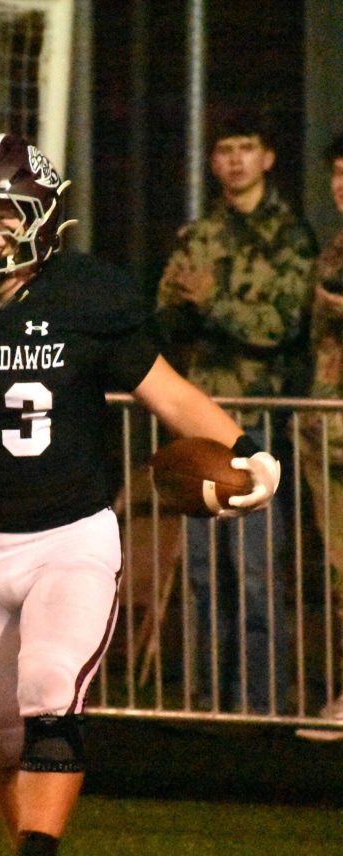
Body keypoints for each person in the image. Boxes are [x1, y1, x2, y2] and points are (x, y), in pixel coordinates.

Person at [0, 133, 280, 856]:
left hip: (67, 534)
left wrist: (249, 450)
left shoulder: (89, 295)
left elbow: (170, 394)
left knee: (52, 686)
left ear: (42, 219)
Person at [156, 110, 316, 714]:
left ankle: (260, 702)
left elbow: (281, 326)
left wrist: (212, 302)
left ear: (268, 158)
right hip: (198, 423)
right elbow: (165, 317)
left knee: (254, 571)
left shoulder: (292, 237)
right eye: (224, 149)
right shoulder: (198, 235)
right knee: (201, 572)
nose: (235, 160)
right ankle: (204, 700)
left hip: (257, 421)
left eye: (247, 147)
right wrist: (181, 307)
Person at [297, 131, 343, 740]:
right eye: (336, 174)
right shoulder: (330, 250)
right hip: (326, 429)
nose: (340, 186)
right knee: (338, 570)